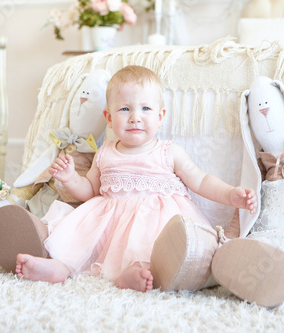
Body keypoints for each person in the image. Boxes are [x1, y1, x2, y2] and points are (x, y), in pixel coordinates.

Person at [15, 65, 257, 292]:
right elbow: (89, 190)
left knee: (159, 246)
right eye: (124, 109)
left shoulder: (169, 151)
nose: (135, 117)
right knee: (79, 239)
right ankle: (60, 267)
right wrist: (69, 178)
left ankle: (132, 274)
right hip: (107, 222)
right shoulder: (105, 152)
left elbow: (201, 181)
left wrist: (230, 194)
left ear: (160, 116)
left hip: (158, 219)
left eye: (145, 109)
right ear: (108, 117)